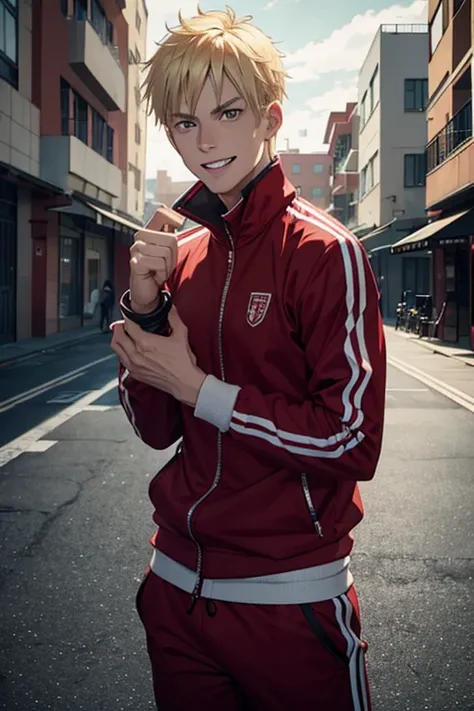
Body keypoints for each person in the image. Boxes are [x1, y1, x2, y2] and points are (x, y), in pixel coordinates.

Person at [111, 7, 386, 711]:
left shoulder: (328, 254)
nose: (205, 140)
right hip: (176, 593)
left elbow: (351, 437)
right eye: (183, 121)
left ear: (268, 118)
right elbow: (156, 428)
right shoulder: (184, 255)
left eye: (227, 112)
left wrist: (198, 387)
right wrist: (144, 308)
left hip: (289, 600)